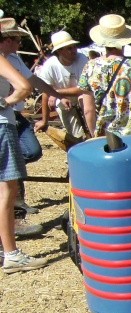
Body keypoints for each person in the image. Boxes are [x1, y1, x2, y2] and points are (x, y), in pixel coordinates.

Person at [0, 17, 66, 231]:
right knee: (10, 171)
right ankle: (15, 216)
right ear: (6, 40)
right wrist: (5, 103)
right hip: (6, 116)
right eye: (17, 39)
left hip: (15, 117)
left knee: (32, 152)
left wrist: (56, 94)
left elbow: (34, 82)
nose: (20, 44)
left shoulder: (15, 60)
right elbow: (24, 87)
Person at [78, 14, 131, 137]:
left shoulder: (90, 67)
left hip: (107, 138)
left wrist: (94, 135)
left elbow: (88, 110)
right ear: (124, 41)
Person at [0, 47, 47, 272]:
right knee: (6, 192)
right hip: (1, 125)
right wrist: (4, 102)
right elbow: (24, 87)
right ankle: (11, 254)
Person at [34, 30, 94, 142]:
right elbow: (45, 93)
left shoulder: (82, 60)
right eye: (69, 48)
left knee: (93, 133)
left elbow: (83, 89)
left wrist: (56, 93)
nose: (74, 50)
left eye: (74, 47)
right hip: (65, 105)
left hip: (84, 101)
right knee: (76, 138)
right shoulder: (50, 66)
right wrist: (44, 121)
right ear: (60, 51)